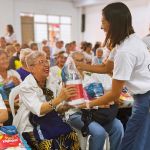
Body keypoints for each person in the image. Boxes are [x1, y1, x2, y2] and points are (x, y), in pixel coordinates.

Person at [75, 2, 150, 150]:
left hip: (145, 100)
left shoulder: (125, 51)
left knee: (134, 144)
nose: (101, 27)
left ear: (113, 22)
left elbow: (114, 94)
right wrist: (81, 66)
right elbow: (107, 67)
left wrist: (88, 104)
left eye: (103, 21)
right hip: (142, 98)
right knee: (133, 141)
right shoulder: (127, 41)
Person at [13, 51, 80, 149]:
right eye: (41, 62)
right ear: (31, 68)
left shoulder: (50, 79)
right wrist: (60, 98)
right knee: (51, 145)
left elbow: (56, 108)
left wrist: (66, 106)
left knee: (71, 136)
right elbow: (39, 110)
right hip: (30, 126)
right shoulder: (26, 86)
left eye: (46, 61)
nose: (46, 65)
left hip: (50, 121)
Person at [66, 51, 123, 150]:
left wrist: (111, 98)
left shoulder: (91, 78)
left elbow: (102, 93)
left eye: (81, 60)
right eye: (77, 61)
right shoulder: (68, 78)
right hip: (76, 114)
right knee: (99, 133)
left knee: (118, 127)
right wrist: (99, 104)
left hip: (94, 113)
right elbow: (76, 104)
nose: (79, 63)